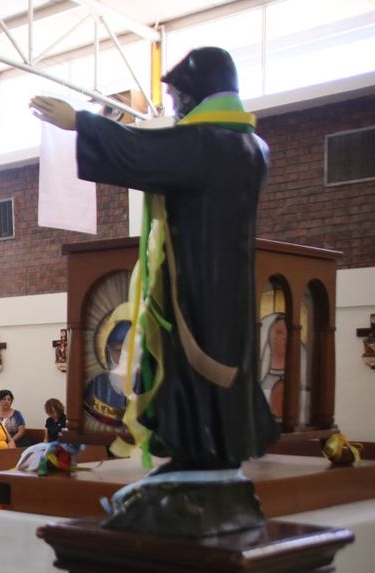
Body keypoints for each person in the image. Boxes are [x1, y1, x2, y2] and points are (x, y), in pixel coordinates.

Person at [30, 47, 278, 472]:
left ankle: (199, 452)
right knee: (217, 359)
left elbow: (144, 152)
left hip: (197, 278)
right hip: (229, 281)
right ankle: (214, 447)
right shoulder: (253, 145)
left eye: (180, 98)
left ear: (201, 93)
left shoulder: (210, 143)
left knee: (190, 358)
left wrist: (80, 123)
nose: (177, 108)